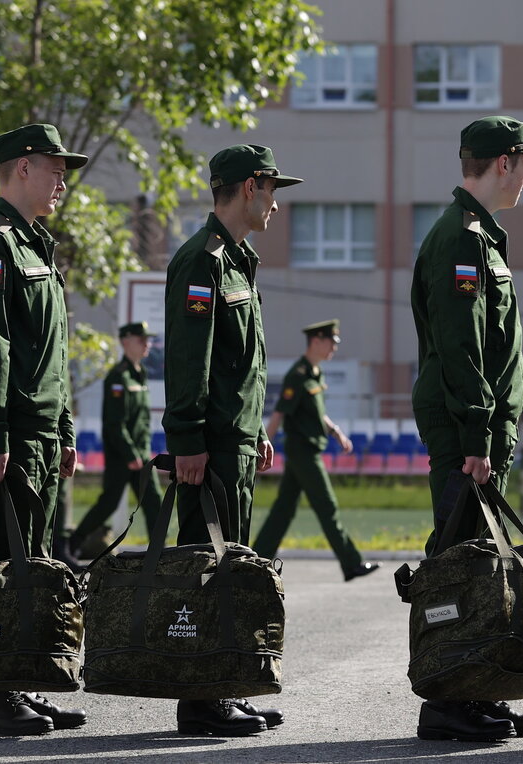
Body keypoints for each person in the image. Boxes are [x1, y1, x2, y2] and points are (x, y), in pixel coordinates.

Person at [410, 115, 523, 742]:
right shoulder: (462, 240)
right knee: (457, 567)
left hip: (483, 437)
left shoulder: (482, 238)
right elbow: (461, 348)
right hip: (466, 436)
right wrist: (476, 438)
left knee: (480, 568)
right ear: (504, 164)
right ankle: (445, 700)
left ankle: (477, 689)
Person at [0, 123, 89, 735]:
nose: (63, 179)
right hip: (6, 436)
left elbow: (51, 352)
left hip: (37, 435)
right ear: (22, 168)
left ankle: (21, 683)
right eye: (55, 167)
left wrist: (63, 429)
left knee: (30, 563)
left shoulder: (37, 245)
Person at [162, 144, 300, 736]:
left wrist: (256, 429)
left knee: (230, 568)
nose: (274, 203)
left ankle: (222, 686)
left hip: (234, 442)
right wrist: (188, 438)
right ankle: (199, 699)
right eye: (271, 190)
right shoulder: (203, 260)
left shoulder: (239, 260)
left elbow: (239, 364)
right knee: (204, 570)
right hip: (209, 449)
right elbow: (190, 360)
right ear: (248, 187)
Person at [252, 319, 378, 581]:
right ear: (316, 341)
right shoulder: (297, 375)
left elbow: (318, 414)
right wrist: (263, 449)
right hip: (303, 452)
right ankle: (351, 562)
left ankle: (257, 560)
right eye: (330, 341)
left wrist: (336, 432)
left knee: (283, 509)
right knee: (327, 506)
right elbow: (278, 415)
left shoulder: (314, 373)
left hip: (308, 450)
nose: (334, 347)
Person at [68, 322, 163, 556]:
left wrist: (141, 453)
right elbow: (114, 423)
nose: (146, 344)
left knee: (154, 502)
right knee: (108, 503)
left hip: (141, 454)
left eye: (147, 340)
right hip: (122, 456)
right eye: (140, 339)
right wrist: (130, 454)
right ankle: (72, 544)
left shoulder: (139, 374)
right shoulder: (118, 377)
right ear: (125, 341)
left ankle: (159, 554)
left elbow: (139, 422)